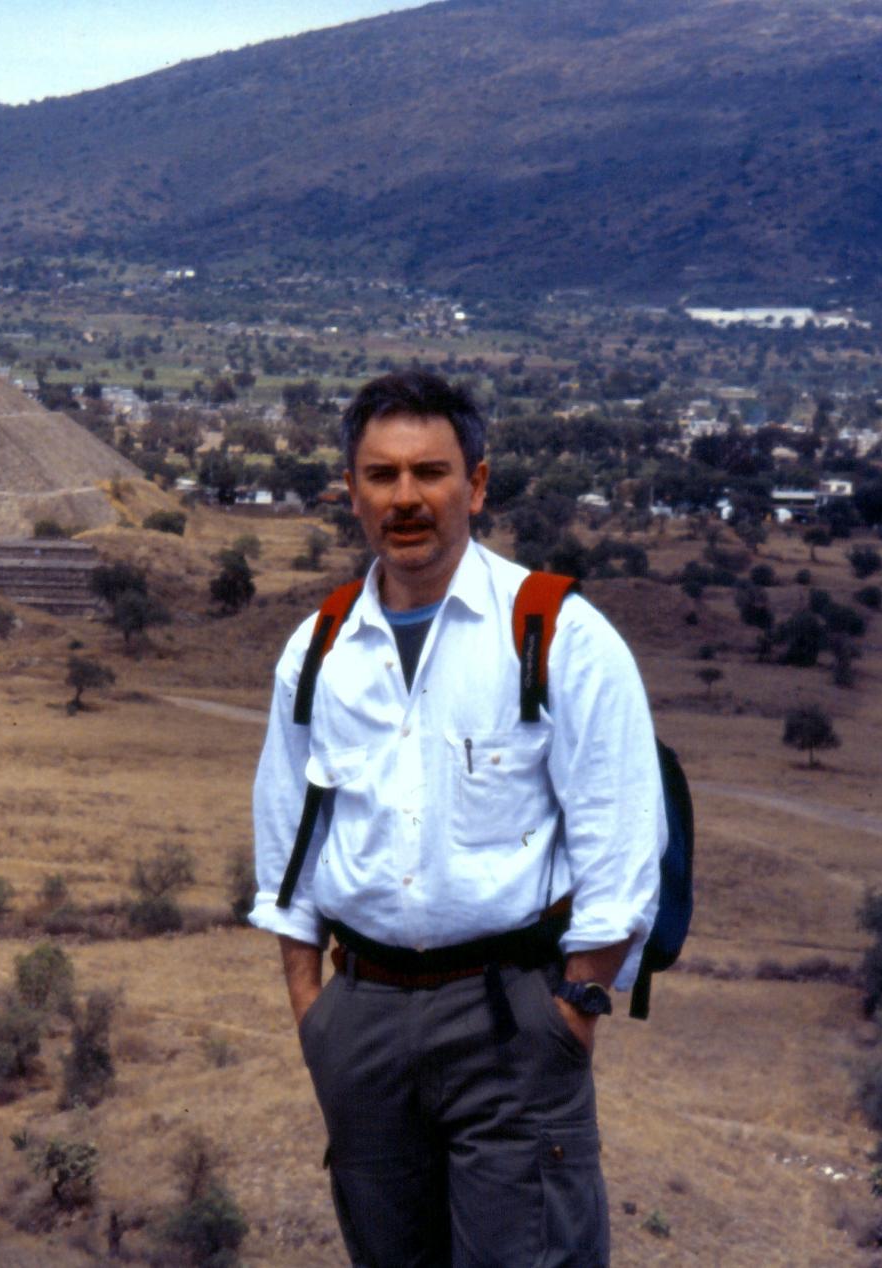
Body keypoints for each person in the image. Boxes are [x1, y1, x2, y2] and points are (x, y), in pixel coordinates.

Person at [250, 370, 665, 1267]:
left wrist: (576, 1010)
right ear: (351, 493)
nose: (407, 498)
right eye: (382, 475)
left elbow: (624, 847)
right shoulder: (318, 650)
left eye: (431, 473)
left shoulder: (557, 634)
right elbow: (287, 854)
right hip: (360, 1018)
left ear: (476, 485)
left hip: (512, 1019)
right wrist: (314, 1017)